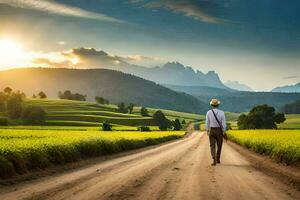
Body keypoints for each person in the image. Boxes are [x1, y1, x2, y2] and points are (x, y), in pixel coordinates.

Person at [205, 99, 226, 166]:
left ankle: (214, 158)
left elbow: (207, 123)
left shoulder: (208, 112)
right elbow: (224, 124)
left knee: (212, 145)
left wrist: (207, 130)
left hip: (212, 130)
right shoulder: (222, 113)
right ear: (218, 105)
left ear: (211, 105)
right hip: (219, 130)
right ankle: (218, 159)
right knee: (219, 145)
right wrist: (223, 131)